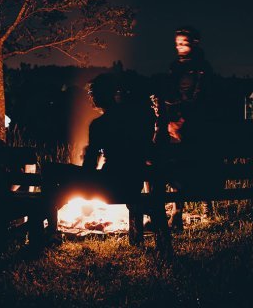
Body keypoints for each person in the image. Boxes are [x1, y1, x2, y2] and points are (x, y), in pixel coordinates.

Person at [154, 26, 216, 229]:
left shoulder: (202, 68)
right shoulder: (176, 66)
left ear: (194, 43)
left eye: (184, 43)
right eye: (177, 43)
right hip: (177, 124)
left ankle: (183, 211)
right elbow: (170, 95)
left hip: (192, 127)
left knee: (181, 162)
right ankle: (182, 211)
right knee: (177, 162)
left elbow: (200, 98)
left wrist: (182, 122)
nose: (180, 46)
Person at [81, 73, 152, 246]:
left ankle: (48, 232)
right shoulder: (133, 119)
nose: (90, 97)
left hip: (111, 185)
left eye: (92, 93)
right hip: (133, 184)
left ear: (102, 94)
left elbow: (89, 166)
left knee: (52, 172)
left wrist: (82, 181)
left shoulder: (99, 124)